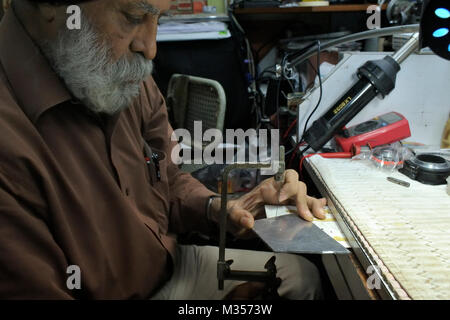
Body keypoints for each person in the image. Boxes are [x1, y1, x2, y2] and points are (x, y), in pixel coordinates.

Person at [0, 0, 327, 299]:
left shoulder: (118, 70)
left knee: (300, 278)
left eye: (159, 18)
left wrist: (221, 209)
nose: (151, 49)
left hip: (167, 267)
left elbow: (166, 177)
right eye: (133, 17)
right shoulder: (11, 135)